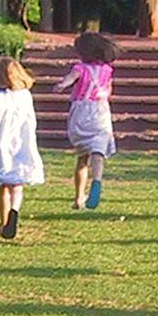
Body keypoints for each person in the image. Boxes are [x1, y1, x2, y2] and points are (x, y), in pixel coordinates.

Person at [0, 55, 44, 239]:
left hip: (1, 141)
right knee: (18, 184)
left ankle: (4, 223)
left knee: (4, 184)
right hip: (22, 140)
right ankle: (15, 210)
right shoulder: (25, 95)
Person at [56, 31, 117, 210]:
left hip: (81, 111)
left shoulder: (80, 68)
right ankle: (96, 181)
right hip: (101, 110)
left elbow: (70, 79)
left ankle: (78, 197)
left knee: (82, 157)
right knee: (98, 151)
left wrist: (62, 85)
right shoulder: (107, 70)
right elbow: (109, 90)